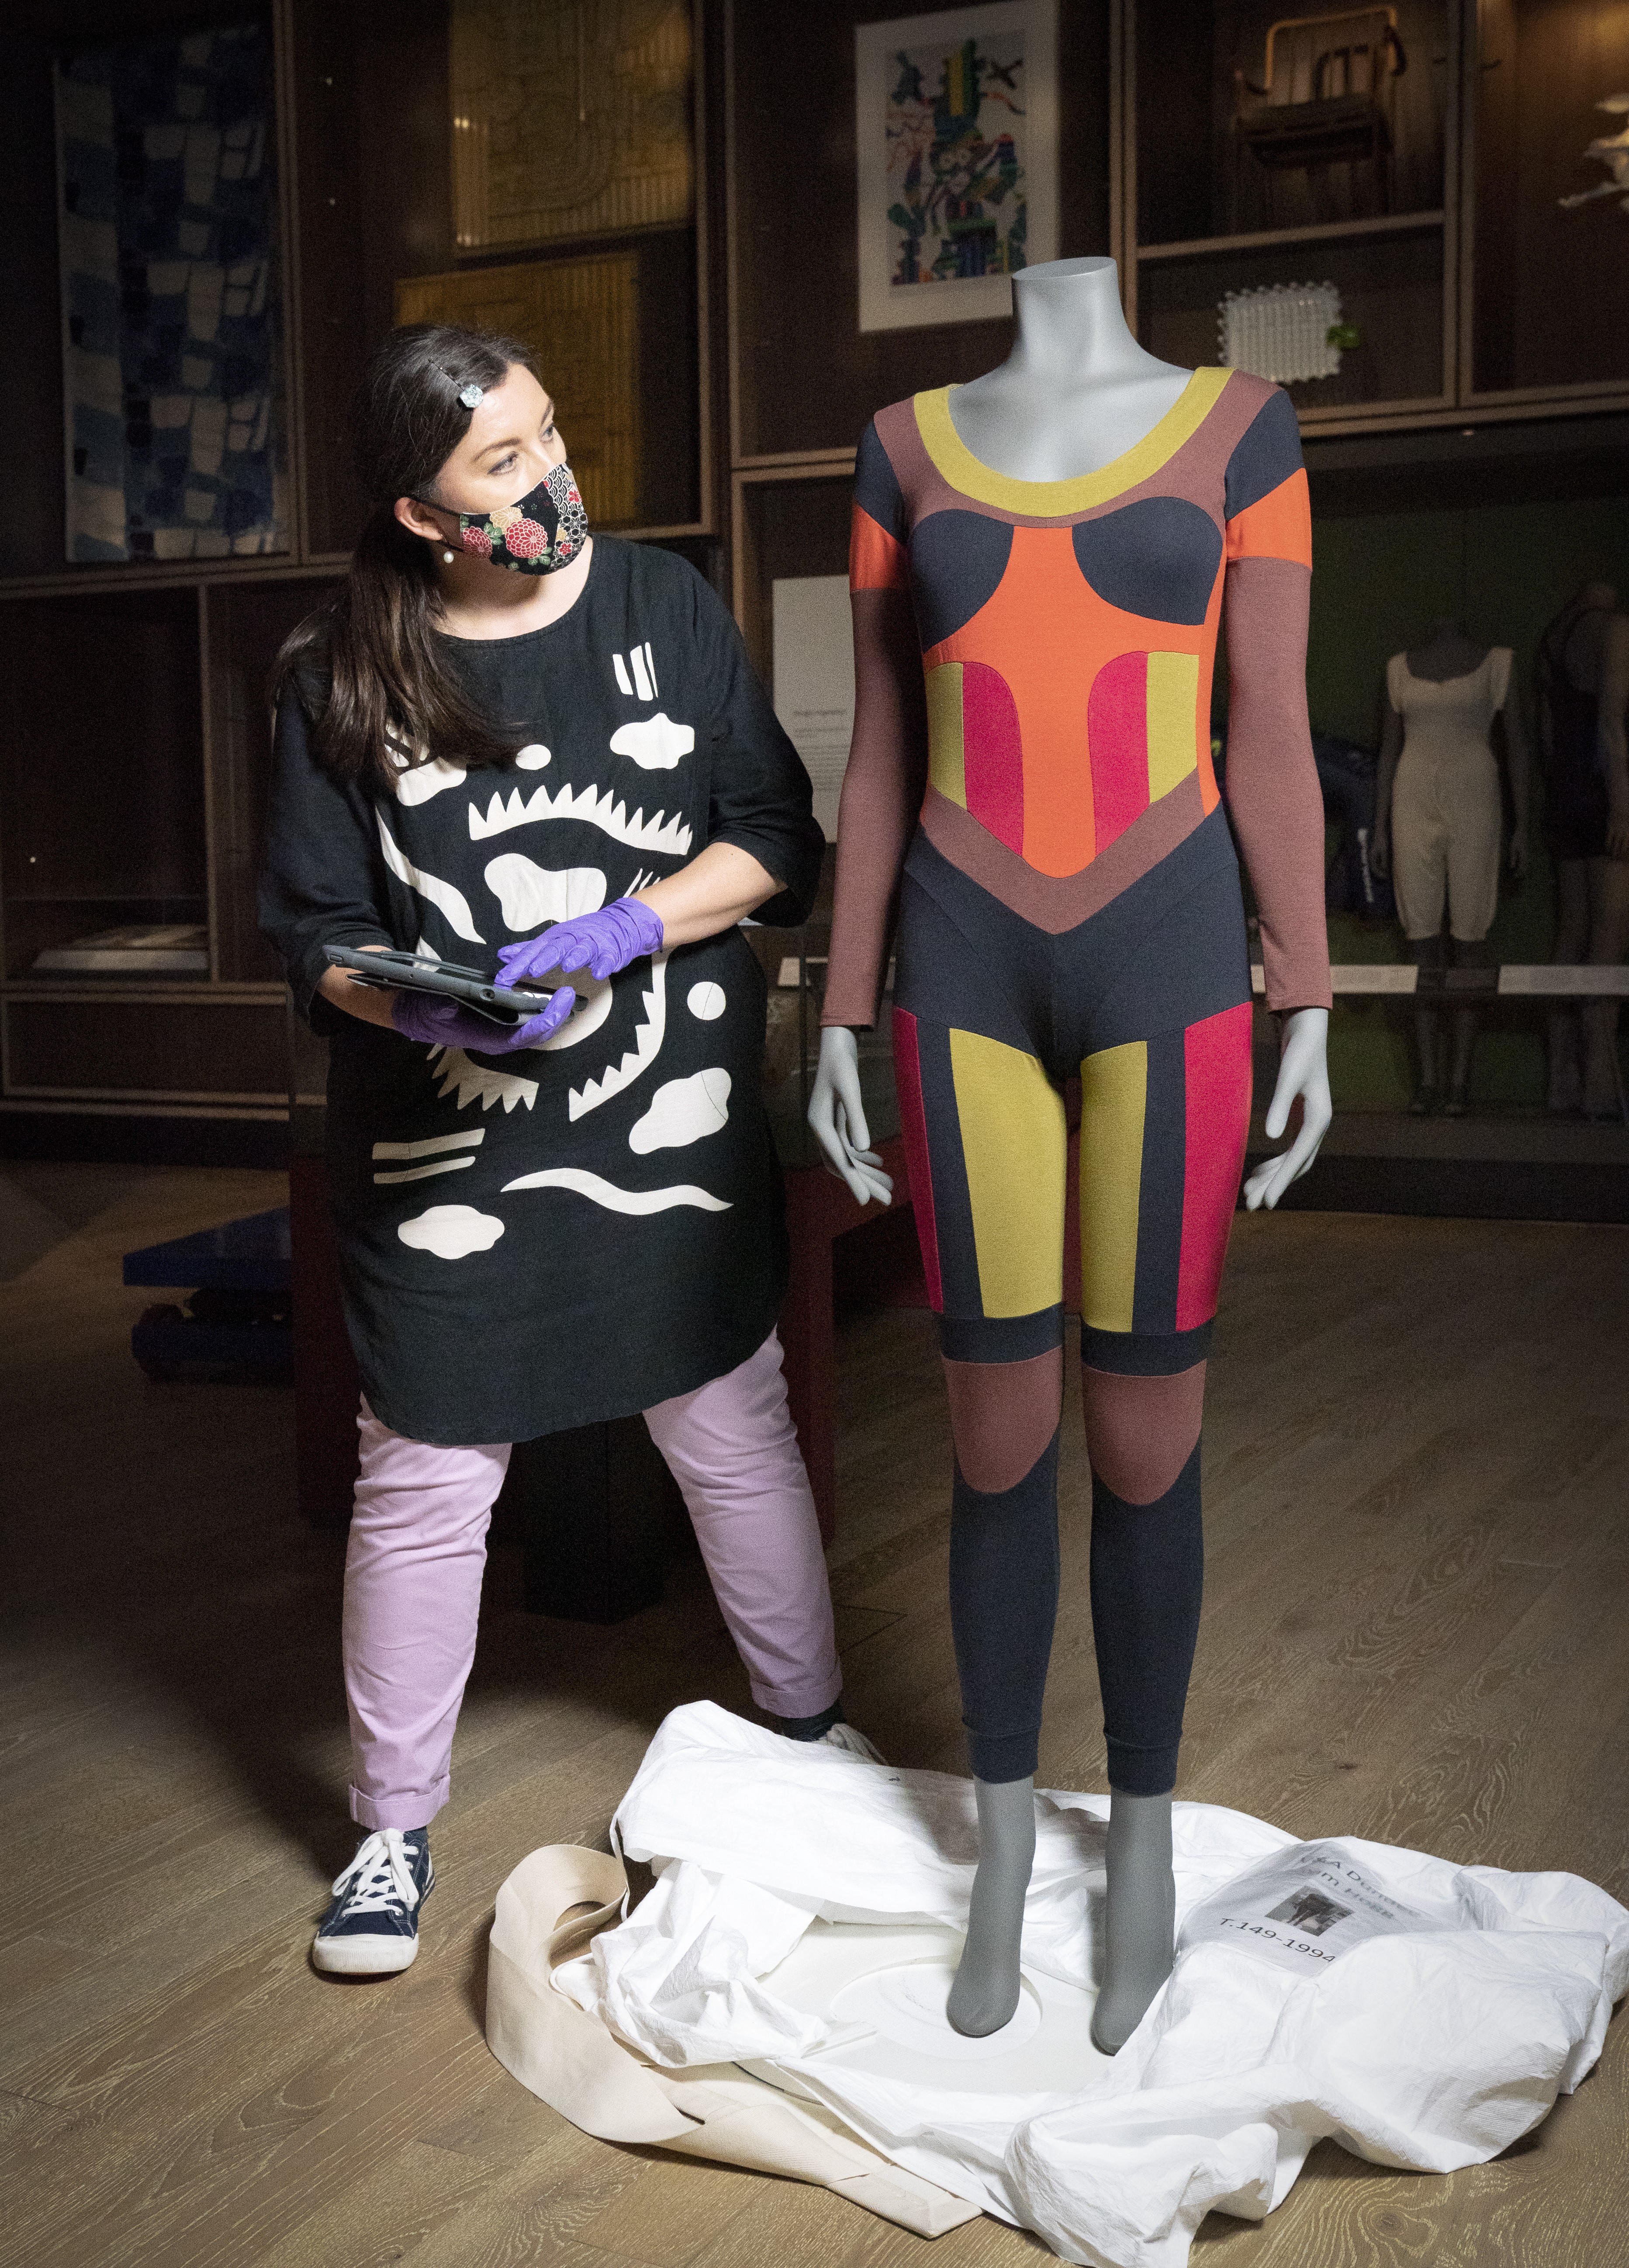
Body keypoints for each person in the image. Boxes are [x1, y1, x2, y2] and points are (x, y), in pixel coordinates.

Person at [262, 322, 873, 1980]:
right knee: (429, 1471)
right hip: (443, 1148)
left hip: (666, 1119)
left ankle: (810, 1742)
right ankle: (391, 1828)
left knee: (728, 1416)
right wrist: (419, 1012)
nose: (552, 477)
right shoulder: (337, 672)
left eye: (547, 433)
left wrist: (628, 925)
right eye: (505, 460)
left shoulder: (664, 605)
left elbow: (774, 835)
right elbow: (311, 928)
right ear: (418, 511)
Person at [809, 256, 1331, 2053]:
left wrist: (1308, 989)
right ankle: (1009, 1845)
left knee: (1140, 1429)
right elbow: (882, 744)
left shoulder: (1243, 433)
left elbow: (1264, 721)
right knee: (994, 1431)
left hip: (1168, 955)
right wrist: (835, 997)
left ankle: (1147, 1848)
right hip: (955, 968)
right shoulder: (896, 448)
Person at [1370, 619, 1530, 1116]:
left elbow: (1518, 746)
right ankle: (1429, 1081)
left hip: (1475, 797)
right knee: (1420, 942)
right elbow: (1389, 750)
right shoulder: (1399, 669)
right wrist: (1378, 827)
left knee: (1469, 941)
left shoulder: (1498, 663)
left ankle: (1459, 1082)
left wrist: (1523, 824)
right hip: (1412, 796)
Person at [1536, 584, 1629, 1118]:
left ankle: (1560, 1078)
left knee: (1571, 931)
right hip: (1600, 791)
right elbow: (1612, 723)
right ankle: (1599, 1077)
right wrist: (1621, 804)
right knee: (1608, 939)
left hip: (1565, 791)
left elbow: (1549, 736)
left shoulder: (1556, 639)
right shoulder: (1615, 629)